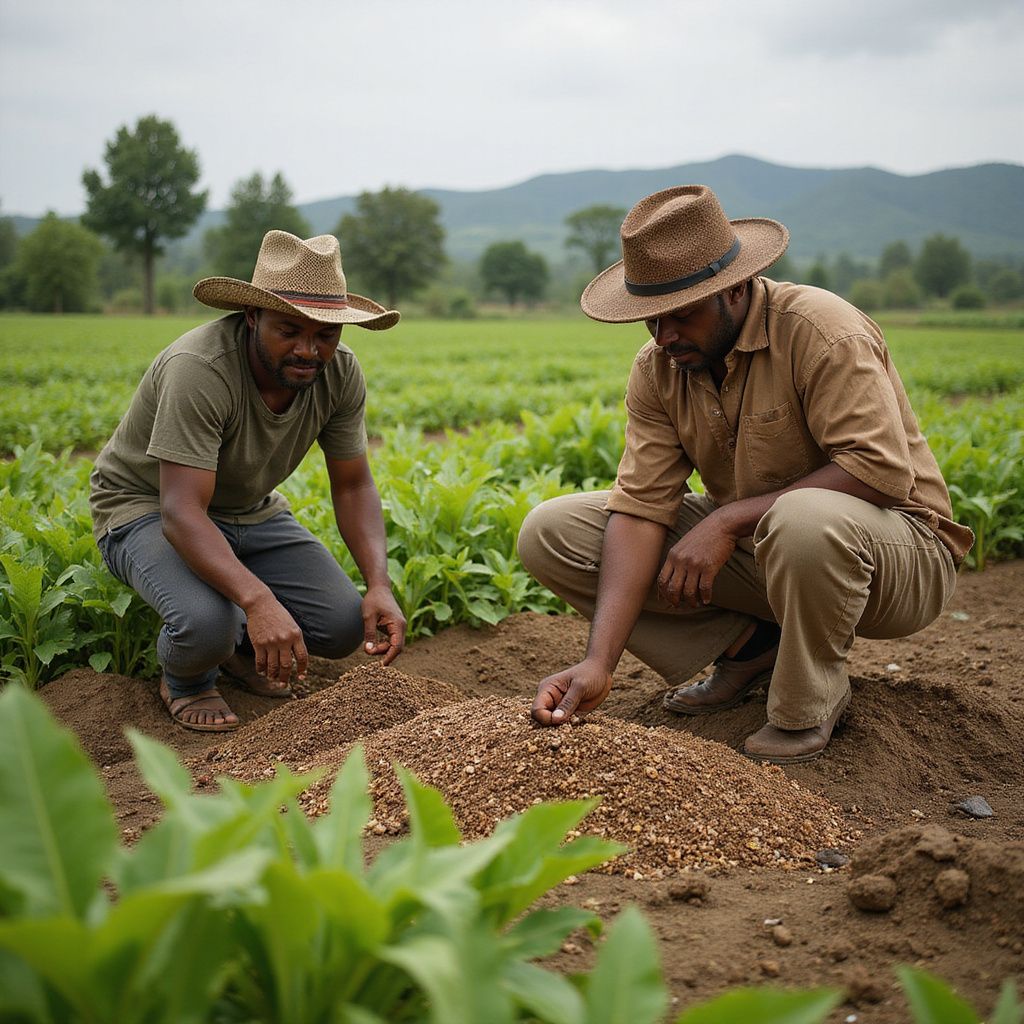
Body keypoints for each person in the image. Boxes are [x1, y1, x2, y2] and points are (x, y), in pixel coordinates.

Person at [517, 186, 973, 763]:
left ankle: (809, 700)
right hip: (771, 548)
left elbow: (879, 471)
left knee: (802, 518)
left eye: (682, 315)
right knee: (553, 530)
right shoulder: (661, 366)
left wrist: (728, 519)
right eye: (651, 320)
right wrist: (599, 663)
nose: (664, 337)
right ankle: (751, 649)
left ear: (733, 288)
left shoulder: (820, 329)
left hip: (897, 555)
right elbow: (640, 507)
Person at [90, 230, 407, 732]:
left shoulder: (340, 373)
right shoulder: (199, 368)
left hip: (251, 510)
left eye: (325, 335)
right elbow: (181, 511)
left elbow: (353, 485)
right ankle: (189, 678)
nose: (308, 350)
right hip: (147, 507)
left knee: (343, 623)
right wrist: (258, 602)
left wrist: (379, 584)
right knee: (205, 624)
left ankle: (238, 649)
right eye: (289, 330)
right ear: (252, 317)